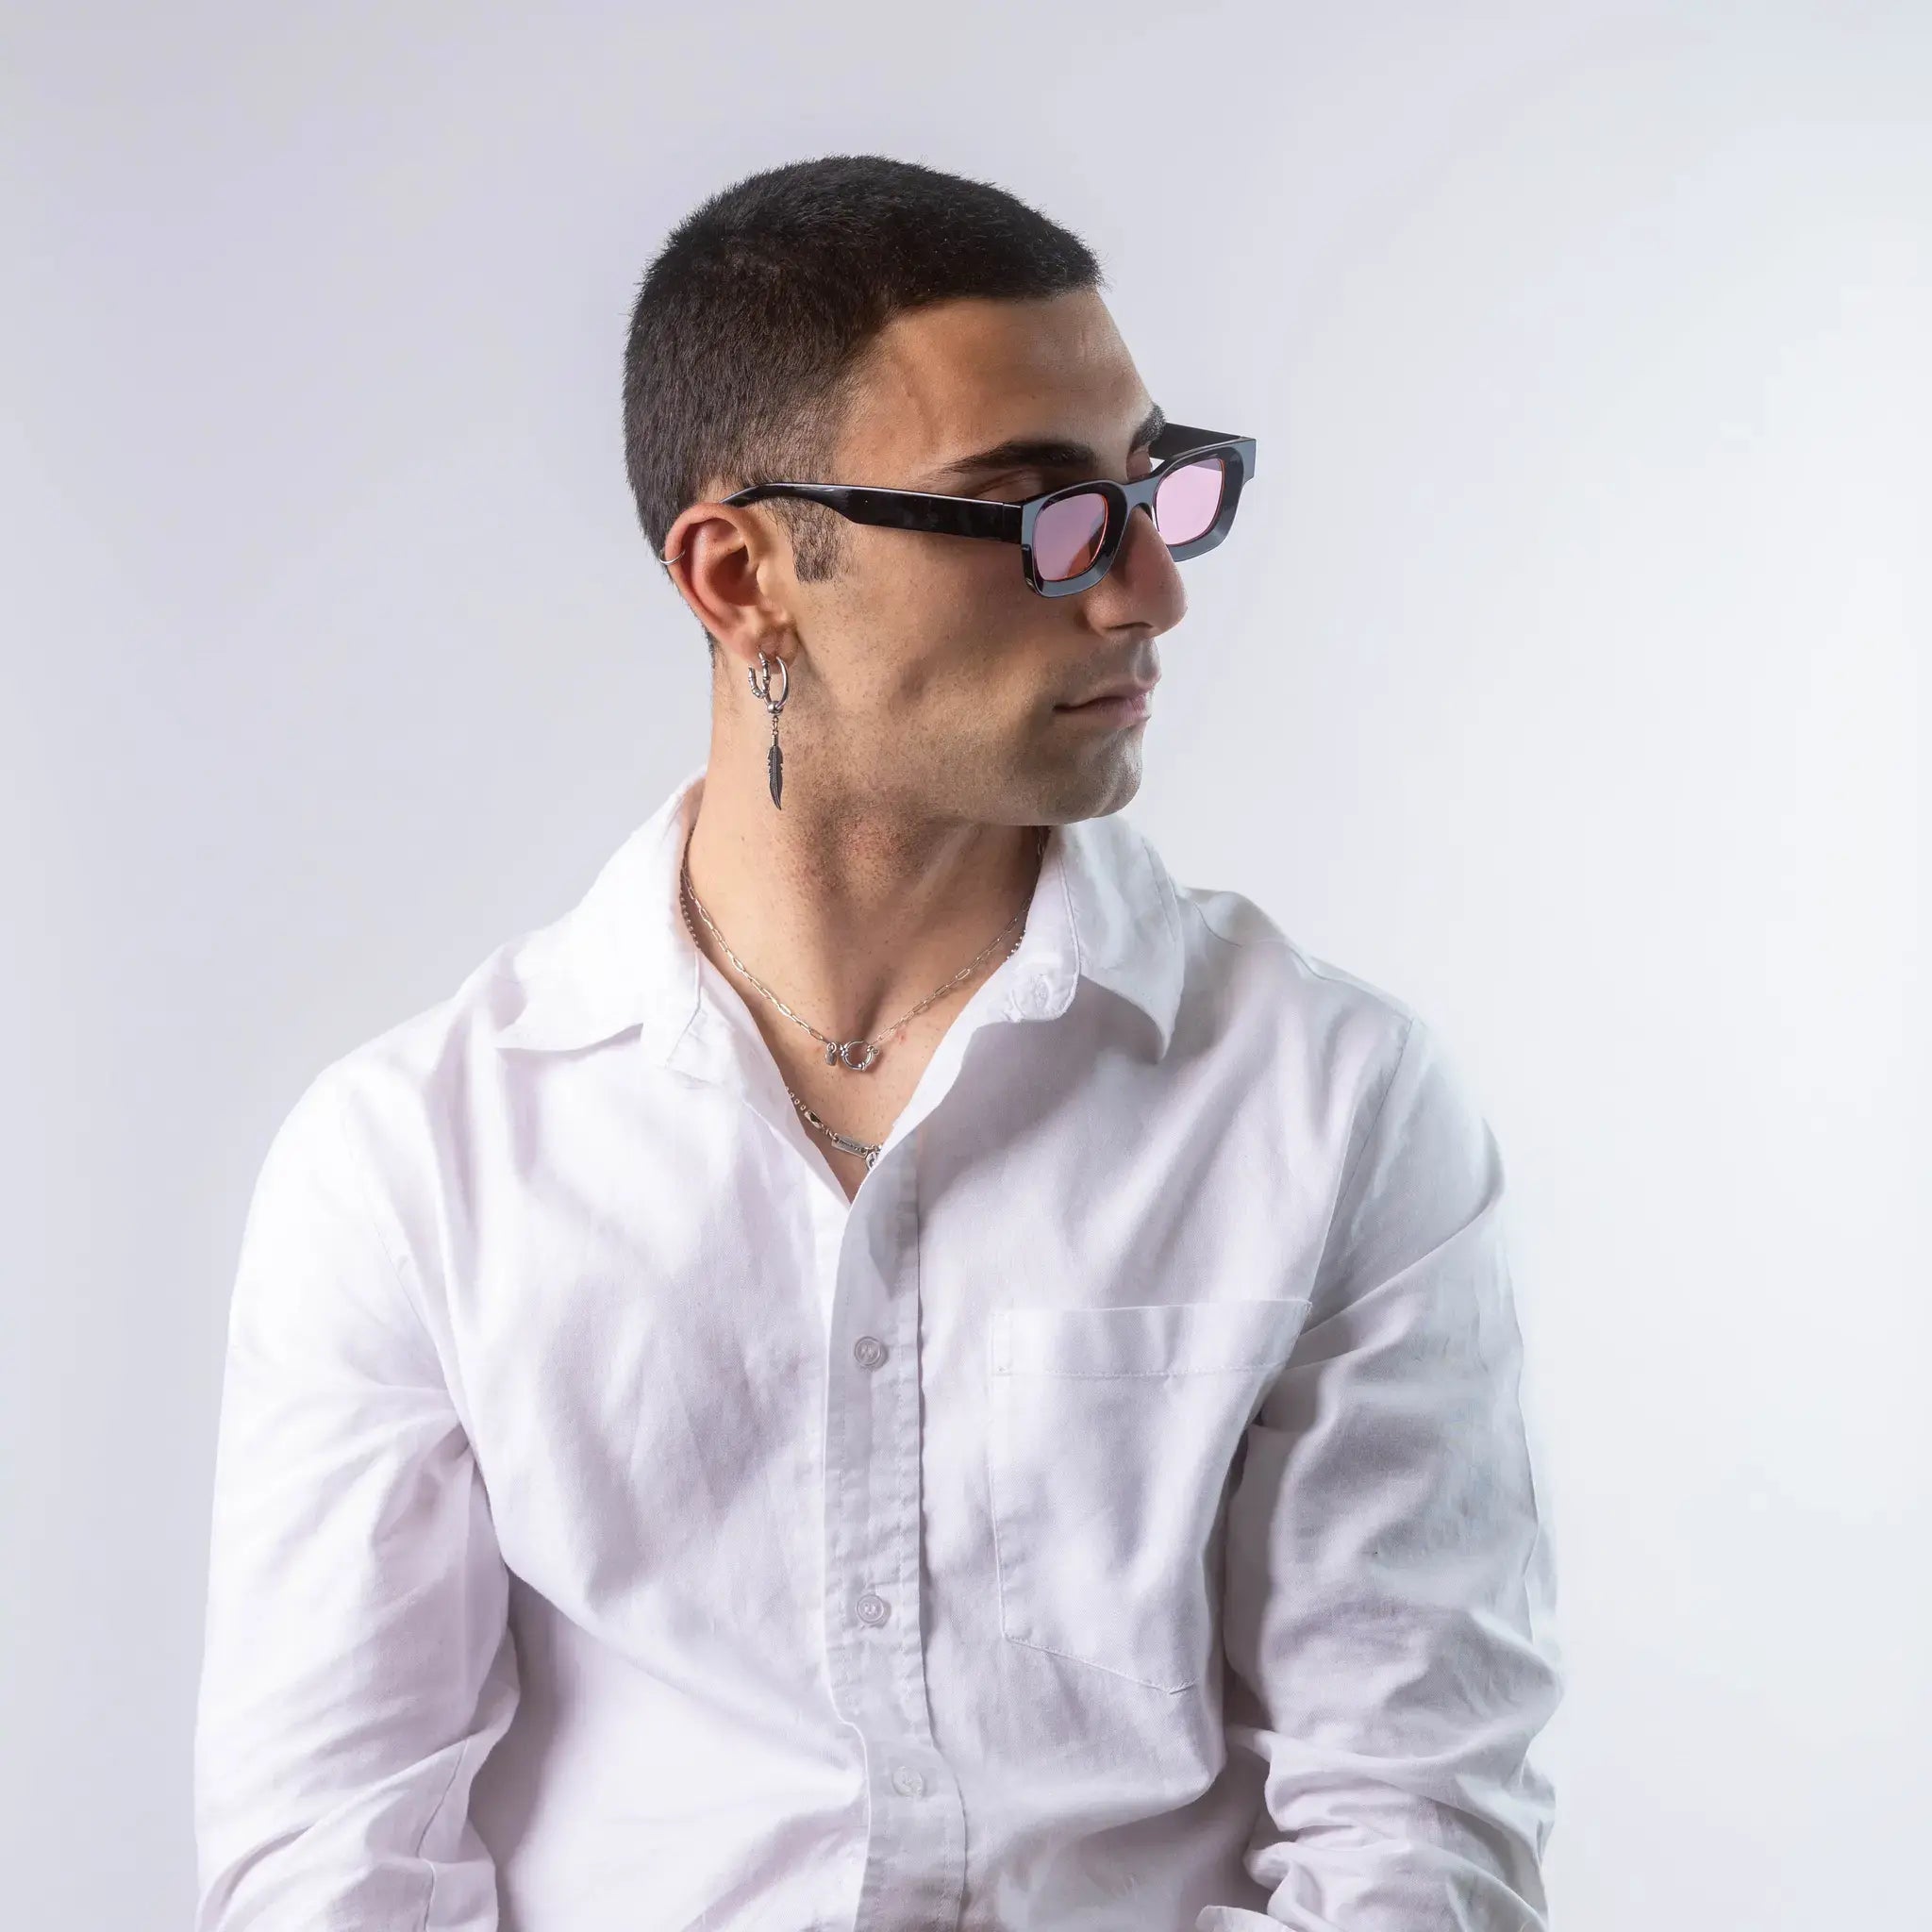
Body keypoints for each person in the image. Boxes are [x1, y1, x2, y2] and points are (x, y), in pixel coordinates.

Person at [192, 153, 1564, 1931]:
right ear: (742, 574)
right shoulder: (411, 1165)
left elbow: (1418, 1830)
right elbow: (329, 1864)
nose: (1149, 590)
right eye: (1037, 511)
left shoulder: (1336, 1107)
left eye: (1153, 488)